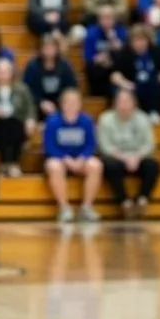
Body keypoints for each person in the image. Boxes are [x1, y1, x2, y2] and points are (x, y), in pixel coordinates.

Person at [96, 88, 160, 219]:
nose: (124, 105)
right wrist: (124, 157)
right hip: (117, 157)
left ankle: (142, 199)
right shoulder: (105, 119)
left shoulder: (143, 118)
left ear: (134, 103)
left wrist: (137, 156)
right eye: (121, 102)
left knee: (153, 165)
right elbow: (104, 146)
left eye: (127, 101)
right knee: (110, 166)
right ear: (115, 104)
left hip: (137, 157)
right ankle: (125, 202)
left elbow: (149, 144)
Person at [43, 88, 103, 223]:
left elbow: (91, 145)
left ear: (80, 104)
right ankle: (64, 208)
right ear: (62, 104)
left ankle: (87, 207)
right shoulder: (53, 121)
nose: (71, 105)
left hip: (80, 159)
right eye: (68, 102)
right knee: (54, 166)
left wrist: (82, 158)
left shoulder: (86, 121)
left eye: (75, 102)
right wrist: (65, 159)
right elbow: (49, 146)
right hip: (60, 158)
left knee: (96, 165)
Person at [0, 58, 35, 177]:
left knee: (12, 123)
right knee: (5, 124)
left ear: (12, 73)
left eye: (5, 72)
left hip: (17, 129)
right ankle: (12, 164)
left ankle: (6, 165)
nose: (2, 75)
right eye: (0, 72)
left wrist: (30, 120)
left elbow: (30, 109)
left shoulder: (22, 90)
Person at [110, 24, 160, 121]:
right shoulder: (124, 53)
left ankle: (153, 113)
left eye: (142, 40)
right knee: (122, 91)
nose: (140, 43)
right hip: (132, 84)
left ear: (148, 40)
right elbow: (115, 75)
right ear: (131, 42)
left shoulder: (156, 51)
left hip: (153, 84)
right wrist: (124, 83)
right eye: (136, 41)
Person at [23, 34, 77, 120]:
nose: (49, 51)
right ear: (40, 49)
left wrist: (62, 102)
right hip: (38, 104)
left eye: (52, 48)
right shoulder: (33, 66)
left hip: (60, 104)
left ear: (57, 49)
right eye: (46, 48)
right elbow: (26, 89)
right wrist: (40, 102)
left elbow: (72, 87)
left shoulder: (64, 66)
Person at [82, 4, 127, 98]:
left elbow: (127, 54)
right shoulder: (92, 32)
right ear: (99, 20)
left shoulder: (121, 31)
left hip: (115, 68)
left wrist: (116, 44)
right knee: (92, 69)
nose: (107, 21)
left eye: (110, 18)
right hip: (99, 70)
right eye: (104, 18)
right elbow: (88, 57)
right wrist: (99, 58)